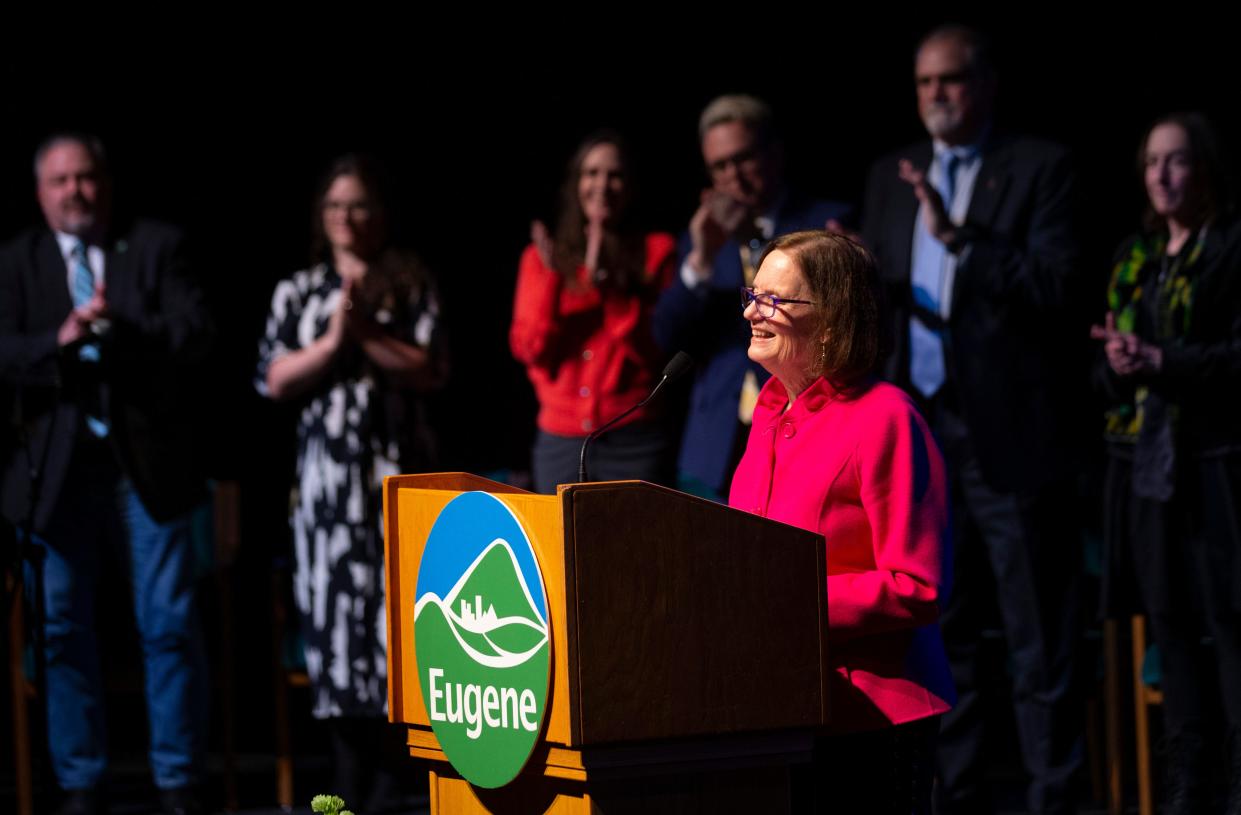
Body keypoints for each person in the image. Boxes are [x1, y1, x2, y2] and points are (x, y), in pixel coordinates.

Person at [860, 25, 1085, 813]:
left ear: (984, 85)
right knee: (938, 635)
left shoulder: (1038, 168)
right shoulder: (893, 177)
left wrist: (961, 241)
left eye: (950, 80)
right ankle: (948, 799)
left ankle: (1052, 799)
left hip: (1007, 438)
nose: (934, 96)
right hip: (917, 438)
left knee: (1035, 644)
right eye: (922, 82)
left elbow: (1057, 287)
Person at [0, 133, 213, 815]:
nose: (74, 191)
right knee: (60, 627)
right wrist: (56, 341)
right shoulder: (17, 261)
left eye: (85, 177)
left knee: (167, 621)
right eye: (60, 181)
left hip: (142, 466)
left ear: (106, 184)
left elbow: (196, 332)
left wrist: (125, 328)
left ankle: (179, 779)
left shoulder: (154, 246)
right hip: (55, 474)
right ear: (41, 193)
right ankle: (81, 781)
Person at [729, 229, 953, 814]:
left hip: (870, 719)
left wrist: (791, 604)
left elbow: (918, 585)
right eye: (754, 292)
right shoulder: (770, 415)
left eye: (775, 299)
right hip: (777, 709)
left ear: (831, 320)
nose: (753, 310)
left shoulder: (886, 419)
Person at [256, 154, 447, 806]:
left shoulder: (407, 283)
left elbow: (429, 367)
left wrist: (363, 330)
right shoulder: (298, 291)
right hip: (324, 487)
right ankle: (345, 778)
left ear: (379, 214)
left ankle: (396, 780)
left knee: (396, 623)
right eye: (336, 205)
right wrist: (336, 337)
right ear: (322, 215)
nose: (347, 216)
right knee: (335, 627)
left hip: (395, 478)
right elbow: (274, 378)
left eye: (359, 204)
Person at [1091, 112, 1241, 815]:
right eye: (1152, 161)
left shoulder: (1229, 250)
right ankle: (1190, 782)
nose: (1160, 174)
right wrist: (1121, 364)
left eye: (1176, 160)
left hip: (1217, 463)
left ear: (1202, 168)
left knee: (1228, 617)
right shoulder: (1134, 257)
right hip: (1146, 468)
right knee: (1169, 620)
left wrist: (1160, 360)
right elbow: (1097, 380)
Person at [654, 94, 851, 501]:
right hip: (713, 442)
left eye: (743, 159)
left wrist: (755, 241)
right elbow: (665, 335)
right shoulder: (703, 237)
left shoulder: (827, 226)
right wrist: (701, 260)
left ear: (775, 154)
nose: (734, 177)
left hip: (803, 428)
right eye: (720, 167)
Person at [510, 130, 676, 493]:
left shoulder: (657, 251)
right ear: (576, 183)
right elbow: (531, 349)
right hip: (559, 440)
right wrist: (555, 279)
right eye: (592, 173)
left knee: (636, 548)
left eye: (614, 175)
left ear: (630, 186)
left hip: (633, 438)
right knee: (559, 549)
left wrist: (610, 290)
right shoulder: (540, 259)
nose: (602, 185)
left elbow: (655, 351)